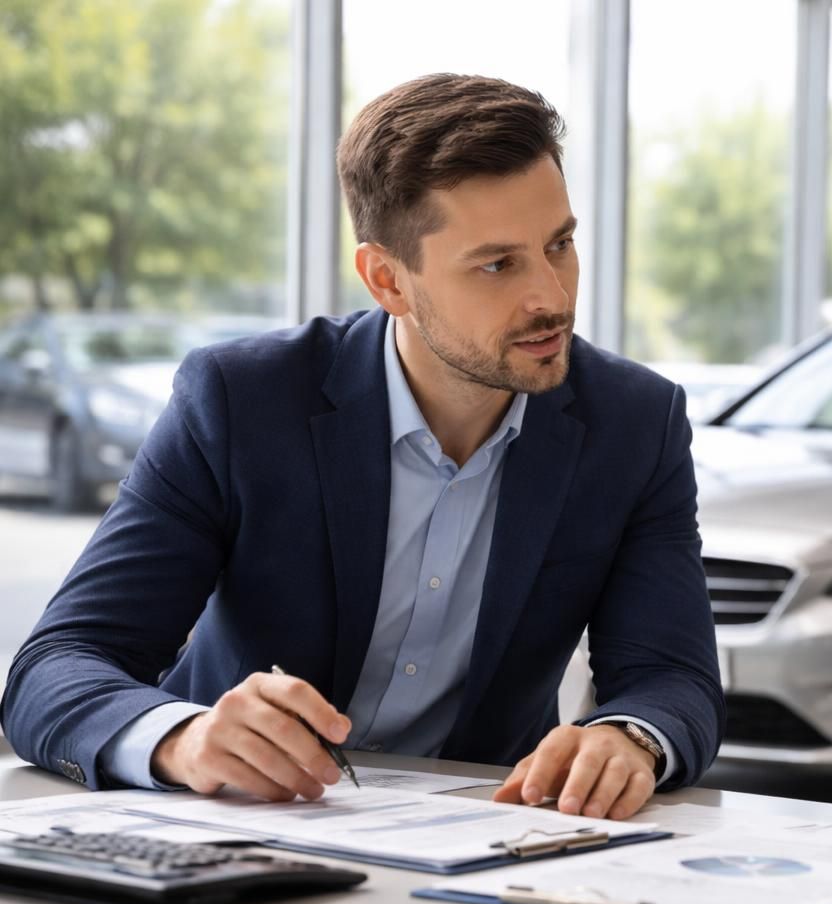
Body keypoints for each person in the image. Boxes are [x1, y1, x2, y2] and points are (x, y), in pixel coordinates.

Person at [2, 74, 723, 822]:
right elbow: (56, 668)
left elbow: (672, 678)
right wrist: (182, 739)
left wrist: (627, 737)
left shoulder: (634, 424)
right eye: (497, 264)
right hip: (238, 828)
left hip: (484, 842)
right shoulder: (241, 402)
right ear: (388, 280)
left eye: (560, 244)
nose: (552, 296)